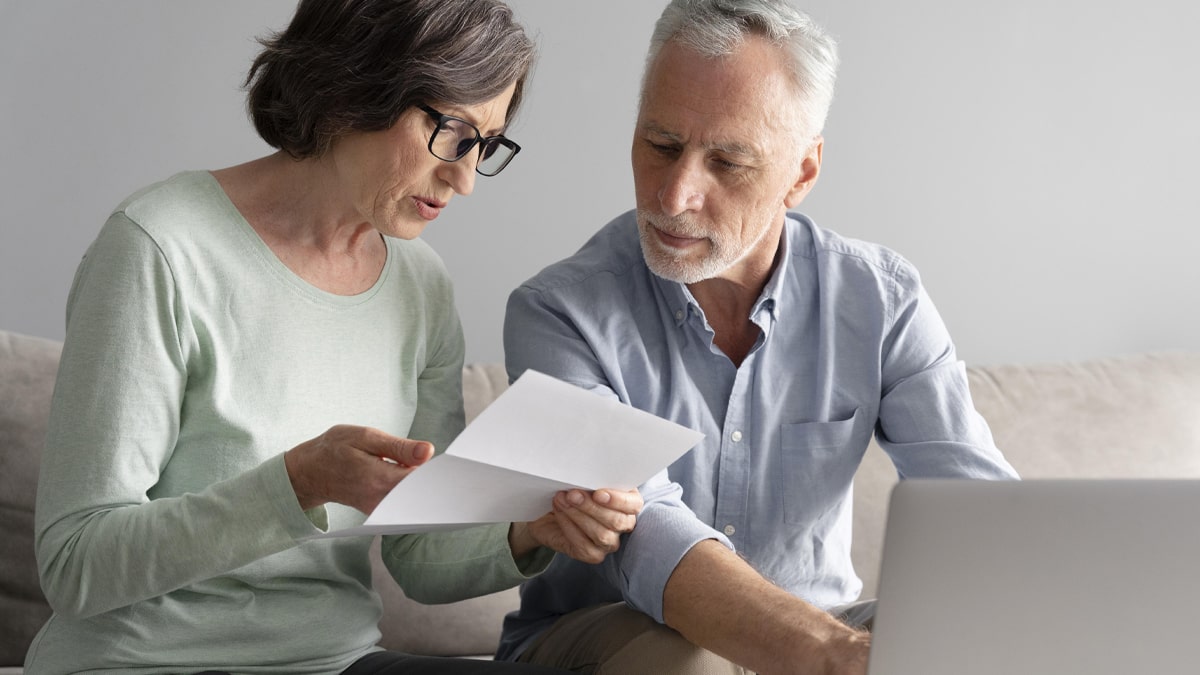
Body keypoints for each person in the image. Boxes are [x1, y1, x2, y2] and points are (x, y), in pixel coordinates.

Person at [26, 1, 642, 673]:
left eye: (485, 147)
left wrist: (531, 530)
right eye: (454, 133)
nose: (464, 178)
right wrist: (295, 484)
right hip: (144, 661)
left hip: (333, 661)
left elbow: (418, 557)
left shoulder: (421, 286)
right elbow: (75, 562)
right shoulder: (159, 247)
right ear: (353, 89)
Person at [496, 0, 1019, 674]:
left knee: (986, 637)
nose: (676, 193)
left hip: (820, 624)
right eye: (660, 145)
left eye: (728, 162)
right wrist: (833, 654)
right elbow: (643, 531)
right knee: (689, 660)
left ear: (802, 172)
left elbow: (983, 514)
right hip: (610, 635)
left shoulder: (881, 300)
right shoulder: (557, 313)